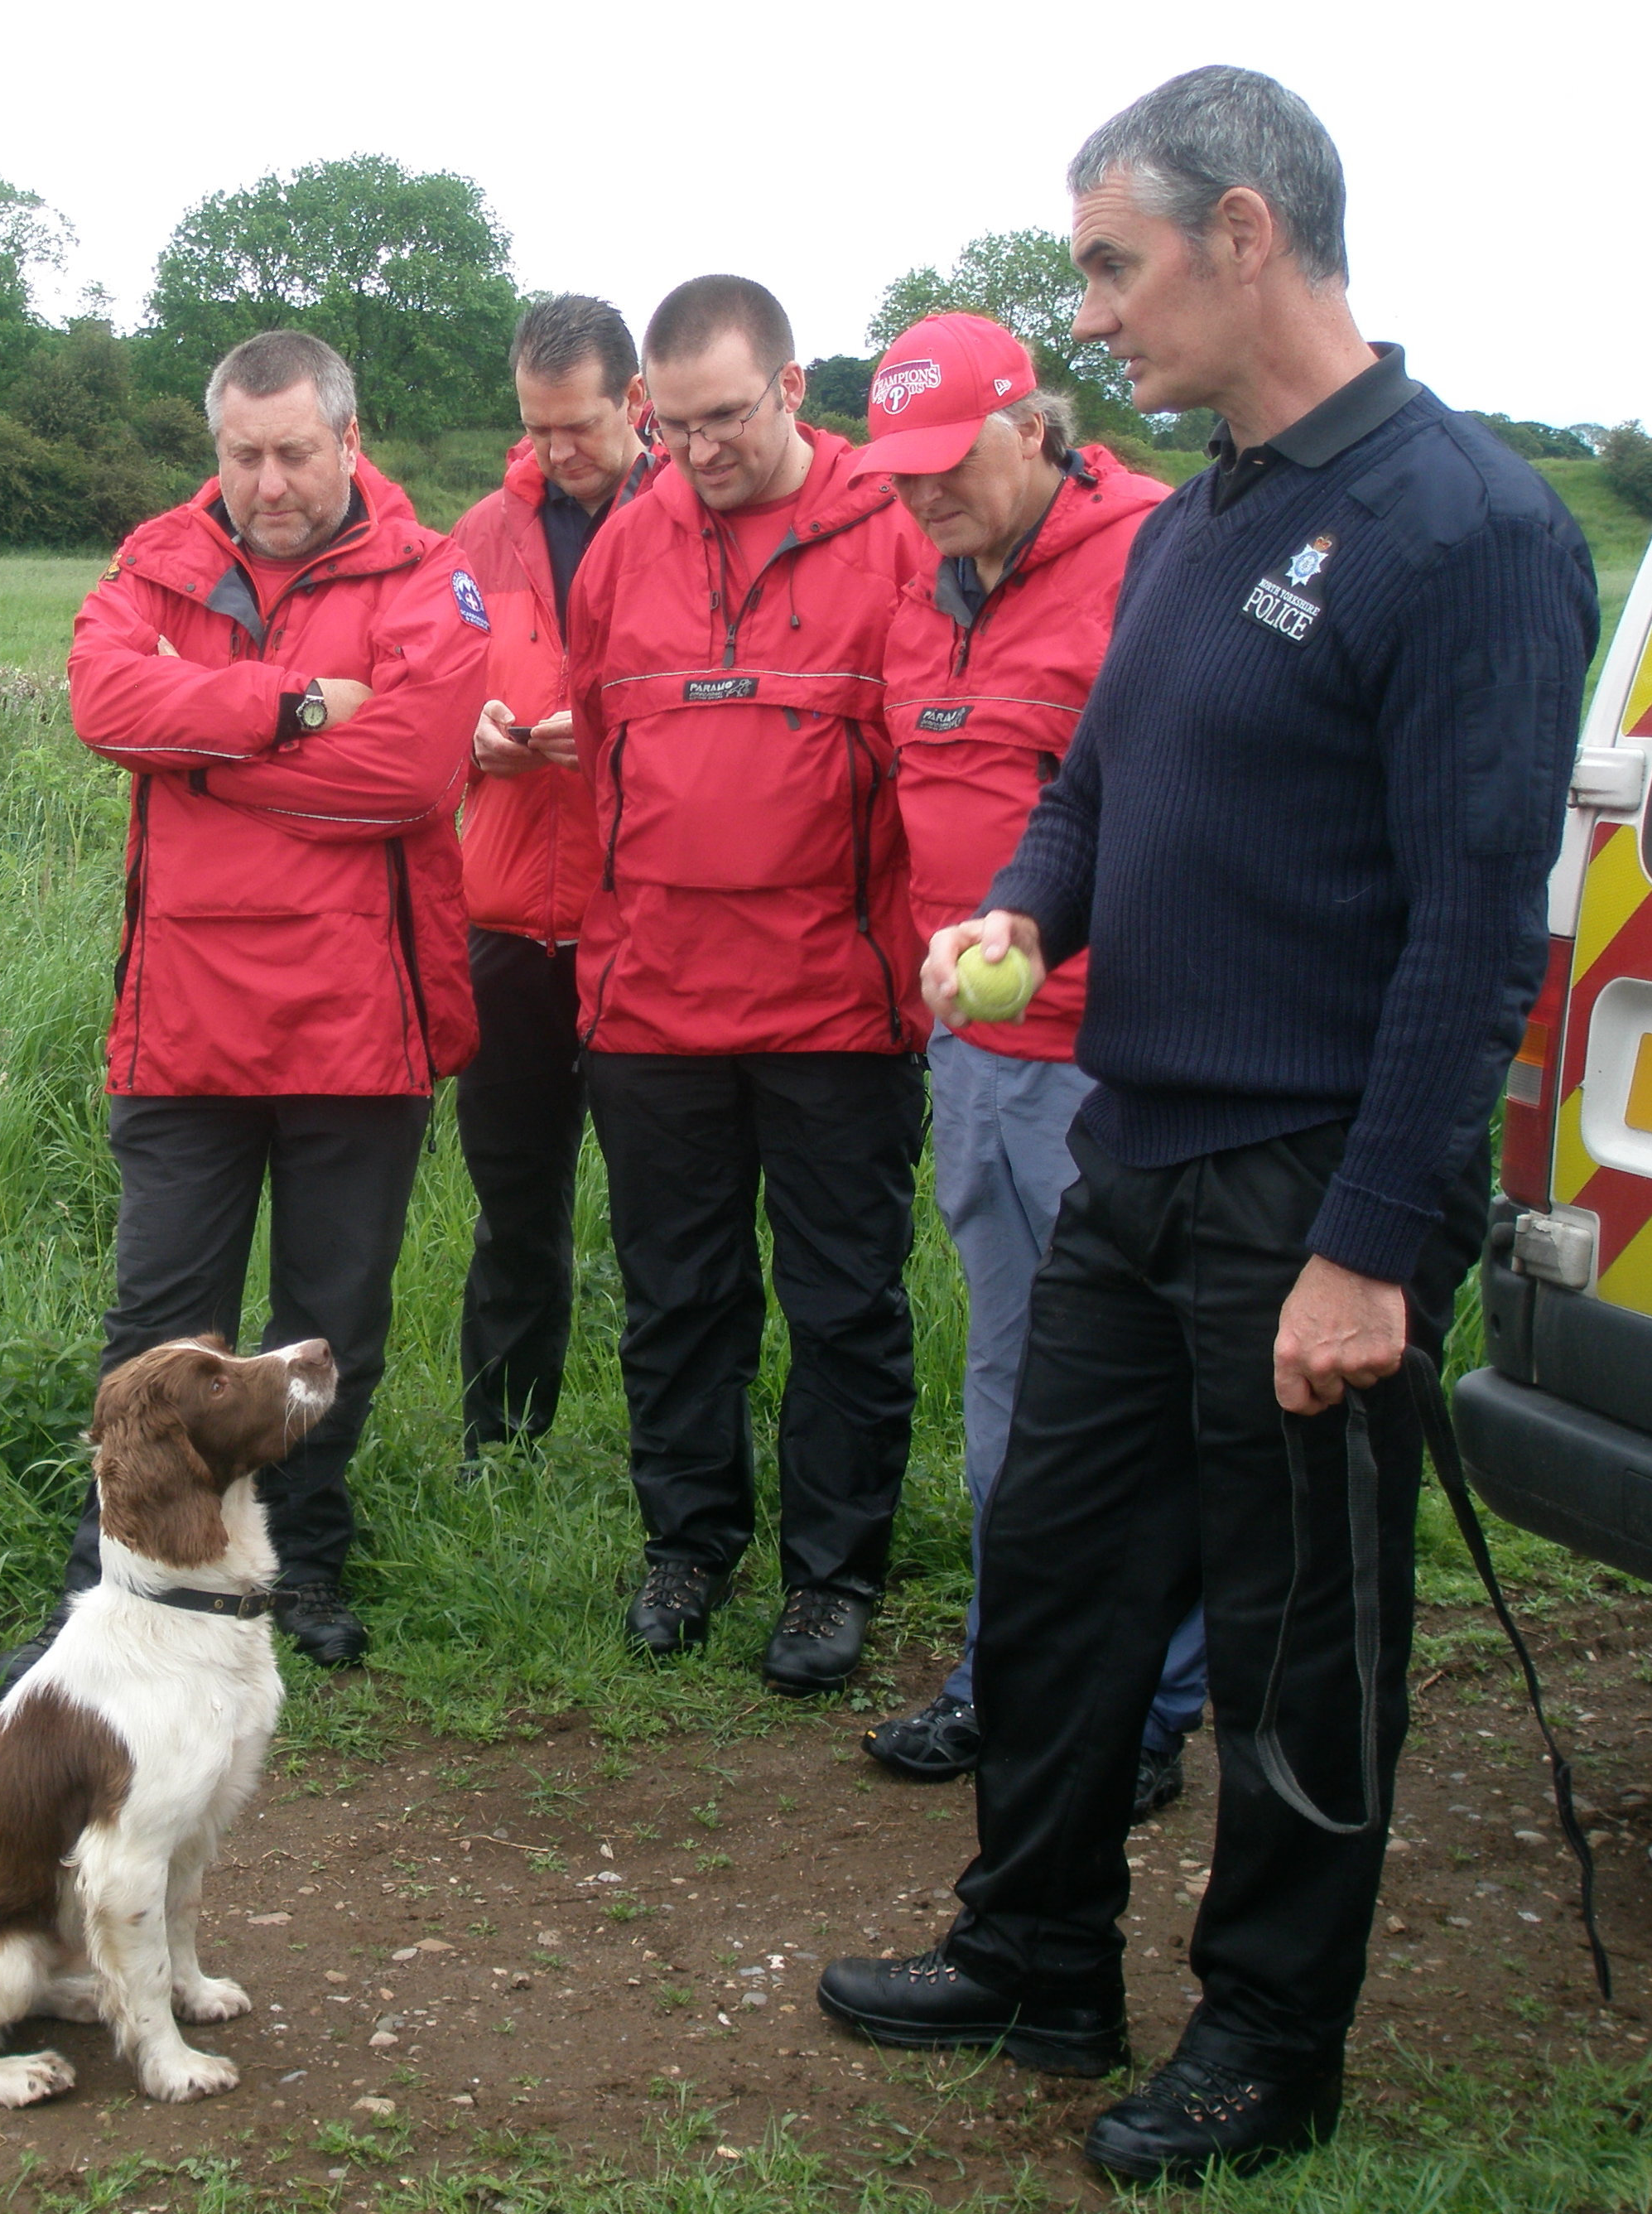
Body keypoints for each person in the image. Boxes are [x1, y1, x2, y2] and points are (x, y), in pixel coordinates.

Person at [817, 66, 1597, 2183]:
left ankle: (1269, 2035)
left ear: (1243, 234)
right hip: (1136, 1142)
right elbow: (1092, 785)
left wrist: (1366, 1243)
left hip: (1310, 1180)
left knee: (1292, 1639)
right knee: (1059, 1578)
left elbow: (1474, 935)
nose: (1086, 313)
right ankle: (1034, 1950)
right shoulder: (1194, 521)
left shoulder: (1466, 528)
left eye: (1110, 262)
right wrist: (1025, 907)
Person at [0, 329, 491, 1692]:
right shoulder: (156, 562)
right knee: (156, 1329)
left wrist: (197, 758)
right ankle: (113, 1589)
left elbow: (410, 772)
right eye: (242, 453)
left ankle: (301, 1562)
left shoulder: (428, 571)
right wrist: (294, 705)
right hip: (182, 1023)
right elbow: (106, 700)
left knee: (332, 1322)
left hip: (360, 1020)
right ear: (215, 445)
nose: (268, 482)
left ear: (349, 439)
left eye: (294, 453)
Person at [847, 315, 1208, 1814]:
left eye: (950, 461)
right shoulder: (918, 590)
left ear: (1035, 430)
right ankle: (1012, 1670)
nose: (923, 492)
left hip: (1119, 1066)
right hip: (976, 1055)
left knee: (1139, 1396)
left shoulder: (1153, 557)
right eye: (901, 470)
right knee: (1012, 1384)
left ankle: (1146, 1704)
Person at [567, 274, 926, 1696]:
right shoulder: (626, 542)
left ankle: (832, 1573)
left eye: (725, 417)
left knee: (842, 1303)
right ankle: (687, 1546)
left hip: (836, 1005)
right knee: (677, 1295)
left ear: (791, 387)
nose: (700, 449)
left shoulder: (891, 528)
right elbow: (597, 751)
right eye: (674, 425)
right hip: (653, 1002)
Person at [454, 296, 657, 1464]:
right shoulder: (482, 533)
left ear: (635, 399)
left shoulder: (688, 518)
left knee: (661, 1212)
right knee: (512, 1200)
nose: (556, 450)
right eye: (537, 429)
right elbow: (428, 688)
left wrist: (617, 737)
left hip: (639, 920)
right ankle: (501, 1442)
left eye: (578, 425)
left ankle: (663, 1452)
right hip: (505, 923)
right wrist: (469, 733)